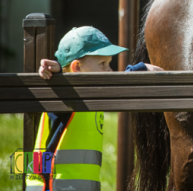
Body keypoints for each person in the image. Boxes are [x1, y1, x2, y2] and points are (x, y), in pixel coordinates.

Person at [27, 26, 162, 191]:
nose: (109, 70)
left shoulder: (90, 97)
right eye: (102, 63)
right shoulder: (66, 95)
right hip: (52, 187)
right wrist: (137, 70)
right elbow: (70, 85)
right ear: (76, 68)